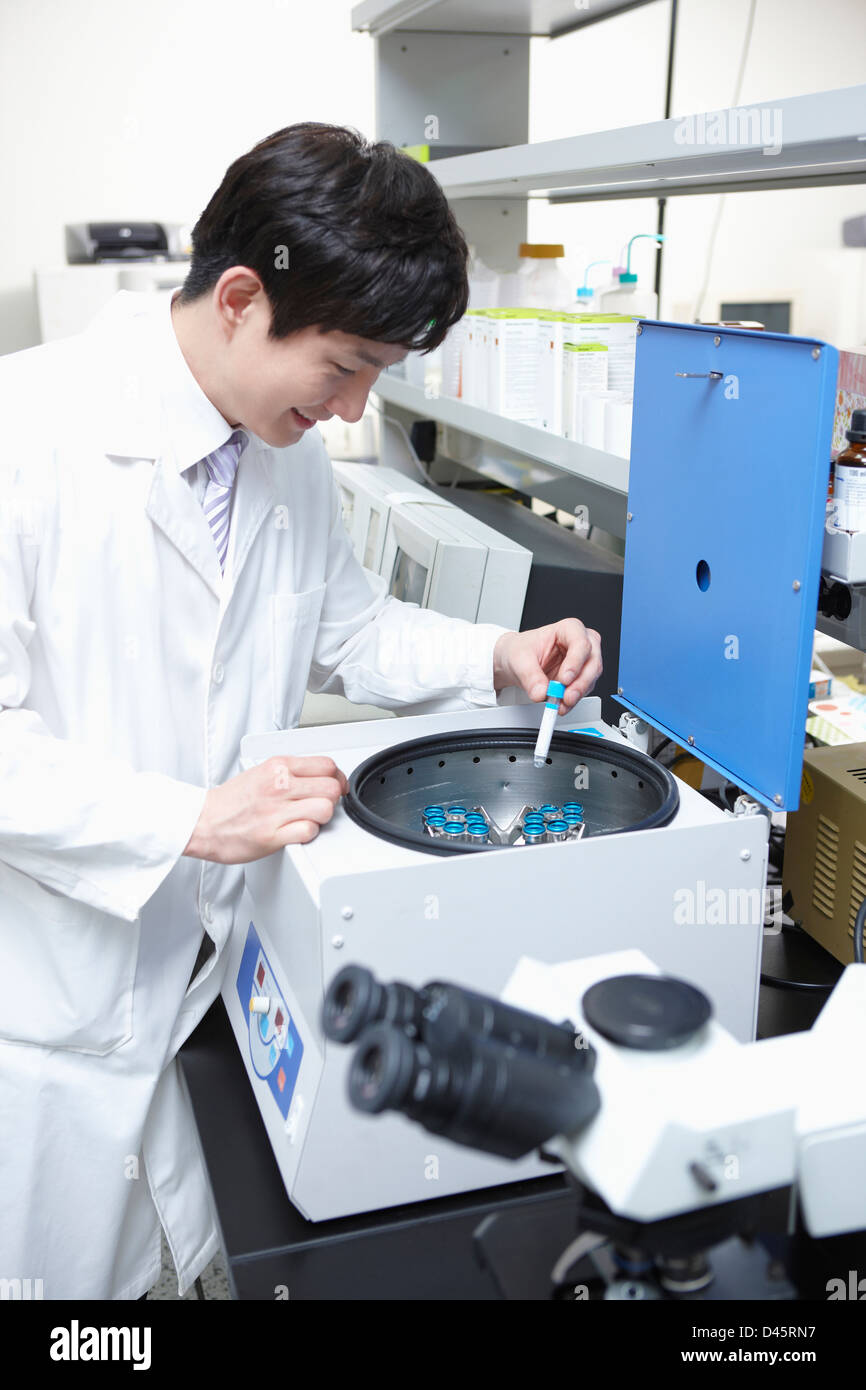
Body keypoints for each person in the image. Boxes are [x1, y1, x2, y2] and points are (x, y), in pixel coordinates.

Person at [0, 123, 602, 1300]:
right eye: (343, 366)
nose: (349, 406)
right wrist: (191, 817)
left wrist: (498, 653)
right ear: (238, 298)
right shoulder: (27, 438)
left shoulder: (281, 455)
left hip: (198, 987)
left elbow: (352, 628)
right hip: (49, 1012)